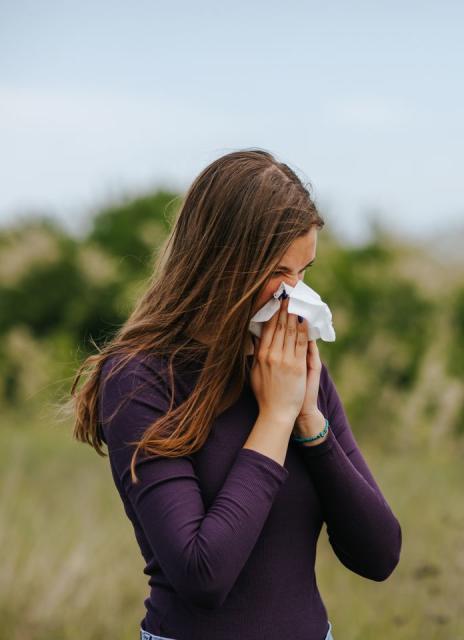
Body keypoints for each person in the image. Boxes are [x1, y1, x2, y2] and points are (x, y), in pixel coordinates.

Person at [69, 149, 402, 640]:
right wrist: (275, 417)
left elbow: (379, 555)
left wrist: (310, 422)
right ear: (220, 264)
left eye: (303, 272)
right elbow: (203, 573)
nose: (294, 297)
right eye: (277, 274)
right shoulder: (140, 378)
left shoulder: (293, 369)